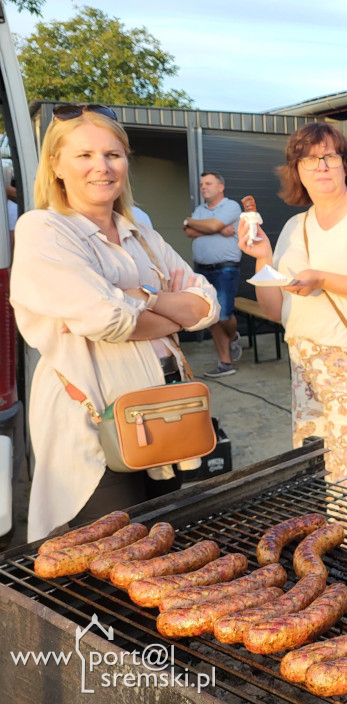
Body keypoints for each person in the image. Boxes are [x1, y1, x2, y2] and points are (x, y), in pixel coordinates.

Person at [9, 104, 219, 541]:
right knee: (113, 557)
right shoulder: (43, 229)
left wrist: (141, 296)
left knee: (162, 543)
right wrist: (166, 315)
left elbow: (206, 306)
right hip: (94, 420)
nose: (101, 167)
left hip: (164, 415)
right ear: (56, 165)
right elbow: (109, 319)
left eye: (113, 155)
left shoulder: (138, 229)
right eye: (84, 155)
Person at [238, 122, 347, 487]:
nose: (320, 166)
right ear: (297, 171)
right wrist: (262, 257)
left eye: (329, 156)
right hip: (309, 376)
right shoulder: (293, 227)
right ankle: (333, 544)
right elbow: (275, 310)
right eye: (309, 159)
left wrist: (323, 279)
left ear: (344, 164)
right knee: (319, 479)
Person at [184, 171, 243, 377]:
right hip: (203, 269)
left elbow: (207, 225)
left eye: (208, 183)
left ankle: (234, 336)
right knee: (213, 315)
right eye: (201, 184)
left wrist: (196, 223)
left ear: (221, 187)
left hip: (225, 269)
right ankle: (225, 363)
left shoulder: (231, 206)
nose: (203, 187)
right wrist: (213, 228)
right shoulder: (200, 209)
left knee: (224, 314)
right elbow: (189, 231)